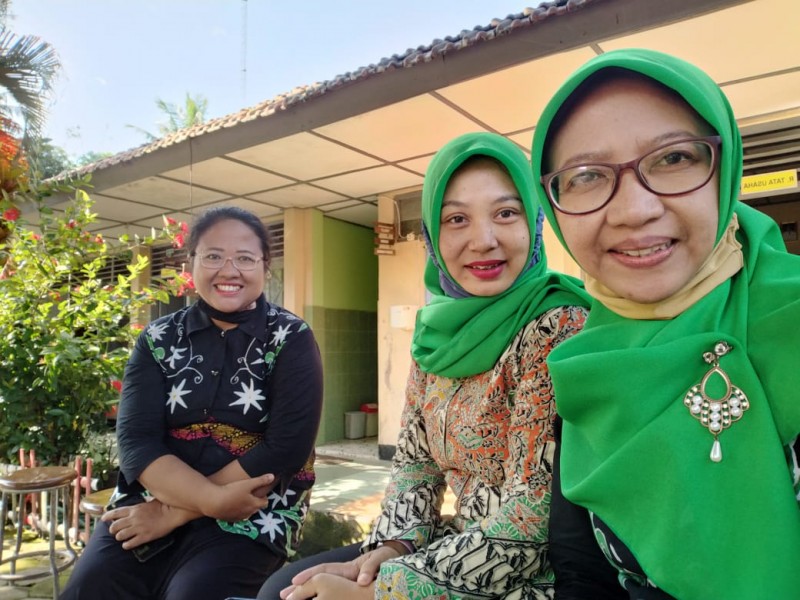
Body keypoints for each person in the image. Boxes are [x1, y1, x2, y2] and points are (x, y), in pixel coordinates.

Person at [254, 132, 590, 600]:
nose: (483, 240)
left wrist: (385, 592)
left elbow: (534, 518)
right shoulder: (436, 337)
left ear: (534, 223)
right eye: (457, 219)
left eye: (505, 213)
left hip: (535, 575)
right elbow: (415, 463)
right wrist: (392, 546)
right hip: (456, 547)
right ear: (433, 235)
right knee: (282, 589)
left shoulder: (558, 325)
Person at [530, 49, 800, 599]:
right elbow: (583, 575)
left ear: (726, 169)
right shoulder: (586, 367)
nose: (634, 210)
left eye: (674, 158)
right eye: (585, 176)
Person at [62, 206, 324, 600]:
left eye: (245, 258)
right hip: (148, 501)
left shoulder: (291, 337)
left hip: (254, 510)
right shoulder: (157, 338)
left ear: (265, 267)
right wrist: (203, 500)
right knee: (91, 586)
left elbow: (286, 447)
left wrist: (175, 512)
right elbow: (136, 442)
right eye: (214, 256)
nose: (229, 271)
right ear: (191, 263)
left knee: (196, 592)